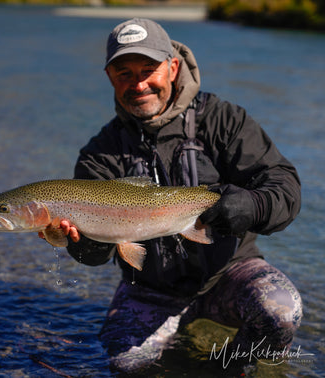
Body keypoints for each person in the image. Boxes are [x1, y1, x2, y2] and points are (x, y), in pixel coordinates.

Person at [41, 18, 302, 373]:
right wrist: (78, 242)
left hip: (229, 273)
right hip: (149, 288)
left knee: (281, 311)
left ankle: (231, 368)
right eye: (124, 74)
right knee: (127, 366)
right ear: (109, 77)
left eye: (149, 70)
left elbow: (284, 186)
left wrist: (251, 205)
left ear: (173, 67)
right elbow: (95, 254)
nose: (139, 83)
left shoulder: (224, 121)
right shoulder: (100, 153)